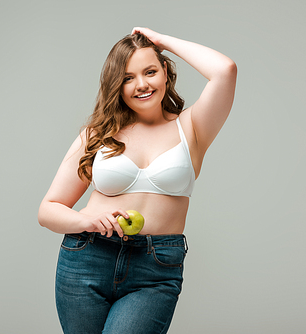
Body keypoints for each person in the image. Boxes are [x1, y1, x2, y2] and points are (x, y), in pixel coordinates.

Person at [38, 27, 237, 333]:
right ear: (116, 86)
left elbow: (225, 70)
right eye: (128, 78)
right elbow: (48, 210)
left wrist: (161, 41)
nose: (141, 84)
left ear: (166, 72)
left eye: (150, 71)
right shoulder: (97, 135)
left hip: (154, 270)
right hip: (87, 259)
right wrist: (89, 222)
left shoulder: (192, 128)